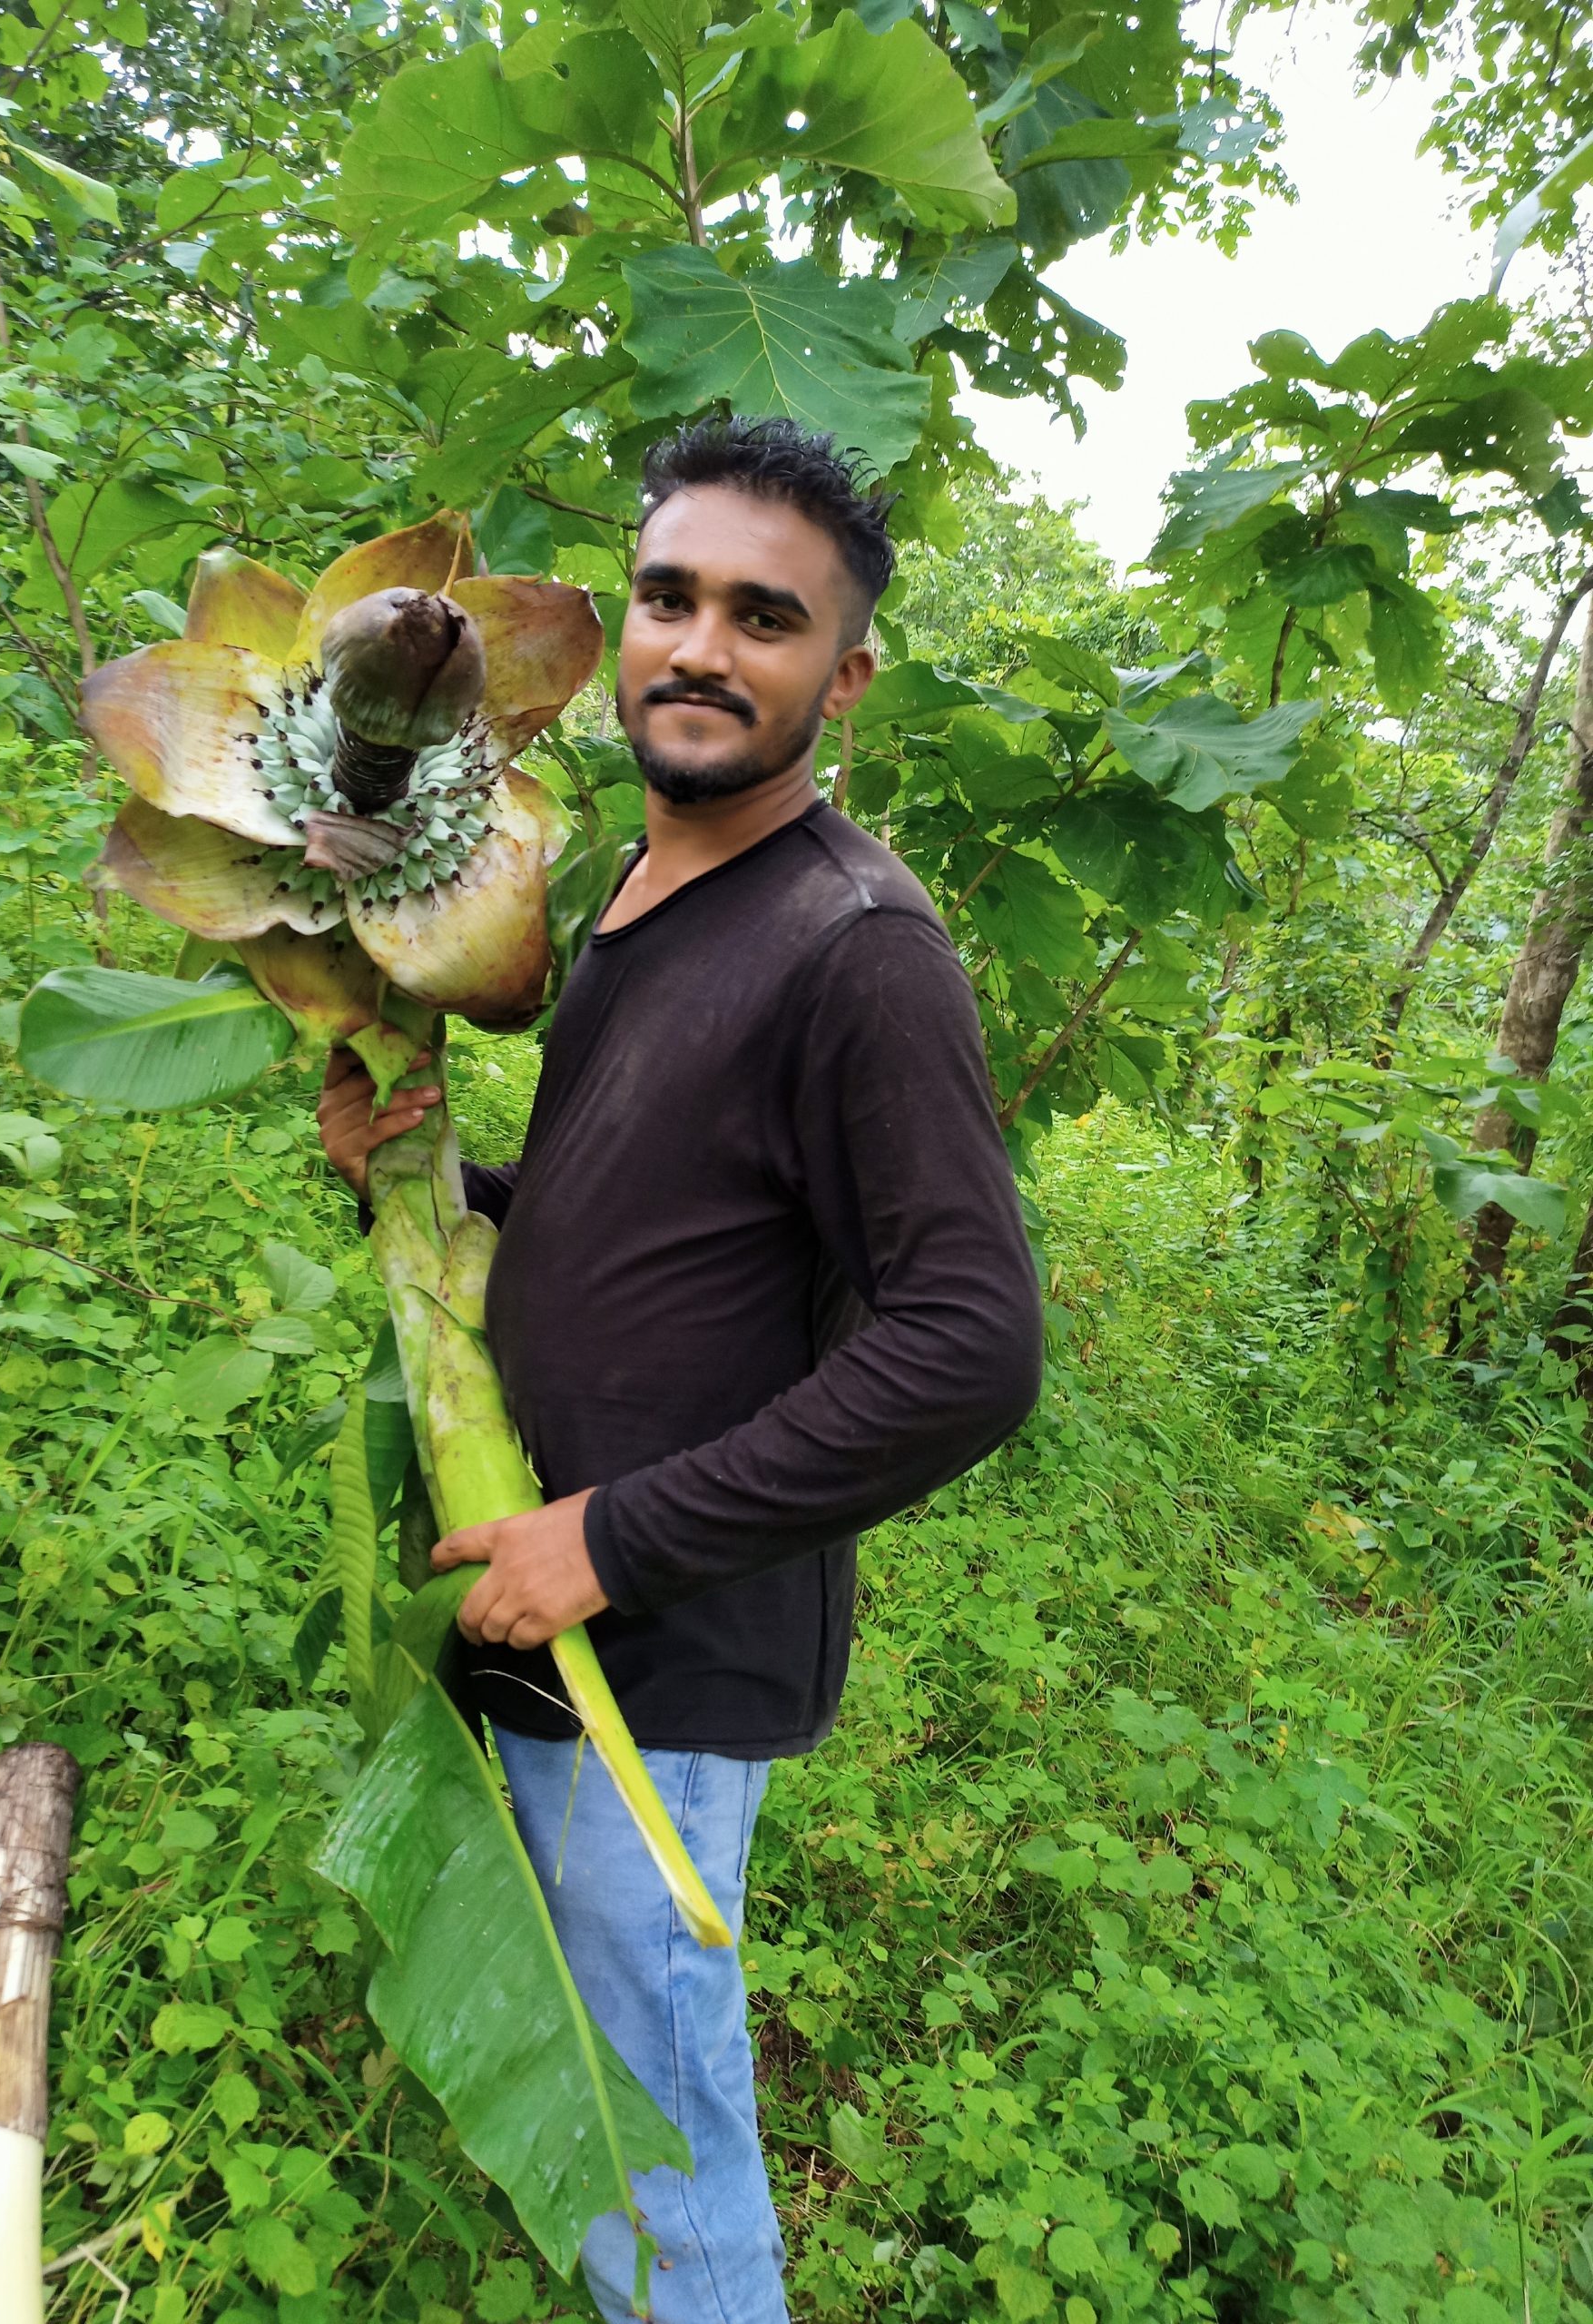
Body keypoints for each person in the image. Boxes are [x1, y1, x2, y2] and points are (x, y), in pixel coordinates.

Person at [318, 417, 1043, 2322]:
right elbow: (634, 1207)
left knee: (661, 2157)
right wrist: (431, 1170)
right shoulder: (635, 903)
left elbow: (969, 1343)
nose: (702, 646)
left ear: (845, 671)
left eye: (765, 615)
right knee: (608, 2115)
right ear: (621, 621)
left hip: (659, 1647)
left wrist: (615, 1538)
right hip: (557, 1606)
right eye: (669, 595)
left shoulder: (859, 947)